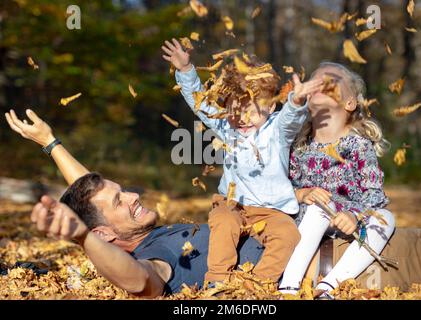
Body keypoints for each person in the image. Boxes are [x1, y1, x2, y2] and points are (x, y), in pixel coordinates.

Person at [4, 109, 264, 297]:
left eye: (124, 191)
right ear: (102, 234)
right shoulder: (155, 255)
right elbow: (141, 282)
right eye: (120, 201)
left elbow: (93, 199)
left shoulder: (138, 231)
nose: (133, 196)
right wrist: (83, 237)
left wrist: (50, 143)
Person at [161, 38, 324, 285]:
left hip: (272, 211)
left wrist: (297, 102)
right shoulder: (228, 128)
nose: (242, 119)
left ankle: (258, 284)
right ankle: (217, 281)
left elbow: (291, 119)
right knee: (223, 221)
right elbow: (201, 105)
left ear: (270, 106)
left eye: (251, 111)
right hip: (233, 204)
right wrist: (185, 71)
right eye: (235, 111)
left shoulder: (277, 130)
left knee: (288, 234)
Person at [279, 62, 396, 298]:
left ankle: (329, 287)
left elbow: (373, 194)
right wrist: (300, 194)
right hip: (307, 217)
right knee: (321, 205)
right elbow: (279, 188)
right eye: (315, 80)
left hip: (347, 219)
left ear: (350, 102)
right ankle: (288, 287)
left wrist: (356, 216)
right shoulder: (299, 146)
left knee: (386, 217)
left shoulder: (359, 145)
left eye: (331, 80)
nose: (320, 83)